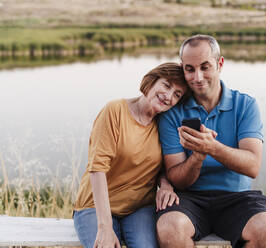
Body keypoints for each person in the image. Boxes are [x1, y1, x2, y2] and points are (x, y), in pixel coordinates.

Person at [156, 35, 266, 248]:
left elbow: (252, 166)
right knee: (169, 228)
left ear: (220, 64)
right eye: (189, 69)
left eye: (205, 67)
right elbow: (177, 180)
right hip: (189, 199)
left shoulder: (245, 105)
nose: (197, 77)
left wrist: (211, 147)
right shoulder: (172, 112)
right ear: (183, 68)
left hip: (238, 197)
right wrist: (197, 156)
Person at [73, 62, 188, 248]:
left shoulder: (165, 124)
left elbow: (163, 166)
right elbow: (97, 168)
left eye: (177, 94)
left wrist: (166, 185)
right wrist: (105, 227)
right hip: (96, 207)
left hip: (139, 208)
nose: (168, 97)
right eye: (166, 85)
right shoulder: (115, 110)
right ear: (152, 81)